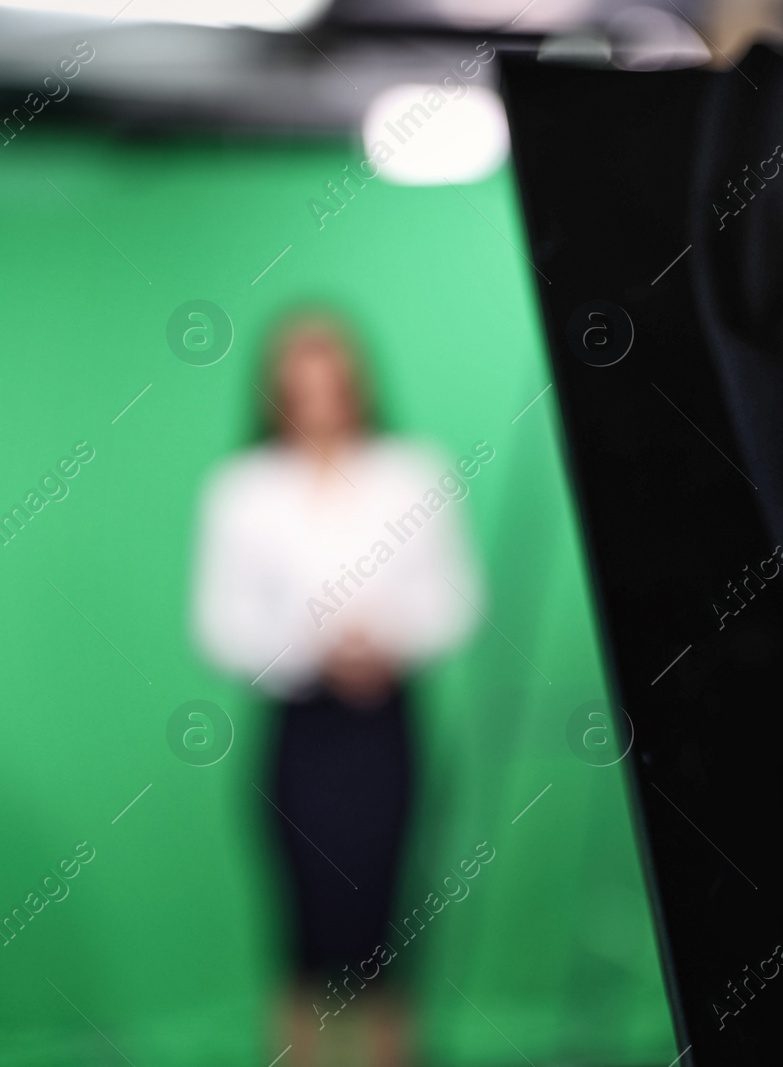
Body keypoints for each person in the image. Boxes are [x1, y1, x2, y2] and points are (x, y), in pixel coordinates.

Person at [190, 309, 482, 1067]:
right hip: (297, 727)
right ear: (275, 390)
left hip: (387, 724)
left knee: (390, 918)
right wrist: (315, 644)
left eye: (332, 382)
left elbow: (454, 600)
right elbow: (220, 623)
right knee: (300, 925)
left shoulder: (413, 472)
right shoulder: (242, 489)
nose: (319, 399)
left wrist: (385, 638)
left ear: (357, 382)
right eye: (300, 384)